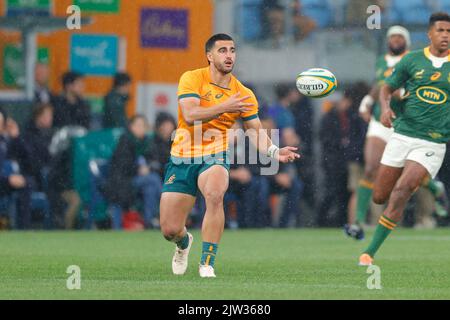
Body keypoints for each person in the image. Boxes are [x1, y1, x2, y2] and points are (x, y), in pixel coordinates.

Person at [159, 33, 300, 278]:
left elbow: (255, 132)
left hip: (215, 153)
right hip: (183, 156)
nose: (229, 55)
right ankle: (183, 244)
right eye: (222, 50)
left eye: (232, 50)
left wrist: (275, 152)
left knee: (215, 194)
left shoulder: (244, 94)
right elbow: (191, 114)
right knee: (170, 229)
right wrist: (226, 106)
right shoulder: (192, 78)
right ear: (209, 56)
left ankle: (207, 263)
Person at [359, 13, 450, 266]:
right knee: (380, 195)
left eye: (449, 31)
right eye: (441, 30)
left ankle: (369, 252)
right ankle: (434, 186)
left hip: (432, 141)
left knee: (403, 189)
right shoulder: (412, 60)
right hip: (402, 134)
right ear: (430, 34)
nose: (445, 35)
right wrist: (386, 108)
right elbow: (387, 87)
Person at [104, 115, 162, 229]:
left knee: (150, 188)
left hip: (139, 182)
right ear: (131, 127)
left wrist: (148, 168)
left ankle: (148, 222)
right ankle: (166, 207)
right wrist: (138, 169)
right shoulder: (125, 140)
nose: (141, 128)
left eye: (143, 126)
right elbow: (122, 165)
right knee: (153, 179)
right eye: (138, 125)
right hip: (123, 182)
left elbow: (156, 162)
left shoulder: (147, 143)